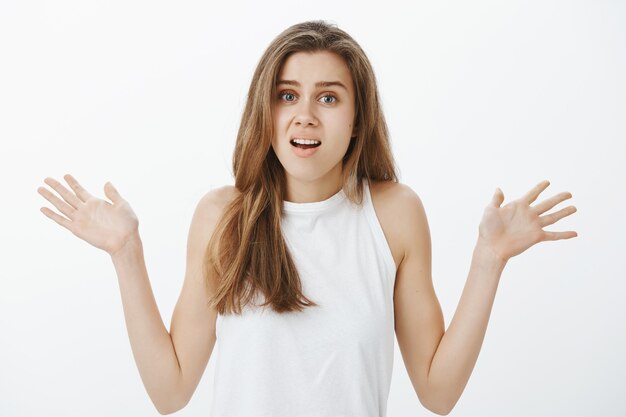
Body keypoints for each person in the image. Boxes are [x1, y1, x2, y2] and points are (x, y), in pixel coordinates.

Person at [37, 20, 578, 416]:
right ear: (265, 111)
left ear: (357, 118)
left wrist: (488, 261)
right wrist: (126, 254)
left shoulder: (395, 214)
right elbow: (170, 390)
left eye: (329, 97)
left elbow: (438, 393)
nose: (305, 114)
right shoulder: (221, 216)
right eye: (288, 95)